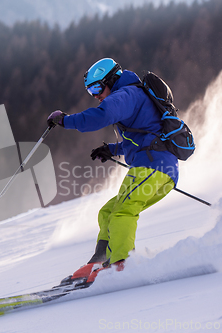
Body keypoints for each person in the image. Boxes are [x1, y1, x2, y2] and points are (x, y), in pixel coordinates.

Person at [47, 58, 179, 284]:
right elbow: (143, 138)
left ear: (111, 80)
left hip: (152, 166)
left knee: (122, 212)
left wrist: (65, 121)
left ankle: (121, 265)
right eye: (90, 91)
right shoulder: (134, 96)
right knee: (108, 212)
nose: (95, 94)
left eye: (97, 87)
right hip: (159, 169)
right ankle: (99, 260)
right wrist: (112, 149)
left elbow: (101, 116)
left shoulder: (126, 94)